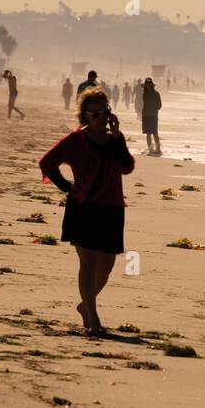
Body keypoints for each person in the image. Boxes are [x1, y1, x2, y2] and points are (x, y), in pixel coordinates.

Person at [38, 87, 135, 334]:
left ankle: (84, 306)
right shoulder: (75, 140)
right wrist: (65, 186)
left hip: (112, 207)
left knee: (107, 265)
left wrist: (117, 137)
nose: (102, 117)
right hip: (83, 207)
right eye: (96, 114)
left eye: (106, 112)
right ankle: (93, 319)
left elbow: (126, 167)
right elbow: (47, 162)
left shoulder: (115, 138)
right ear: (85, 116)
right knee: (88, 262)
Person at [141, 77, 162, 155]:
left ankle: (158, 149)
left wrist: (153, 109)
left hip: (153, 116)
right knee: (148, 133)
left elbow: (159, 105)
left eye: (149, 84)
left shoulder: (156, 94)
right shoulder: (144, 94)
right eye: (147, 84)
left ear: (152, 85)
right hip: (145, 115)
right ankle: (150, 149)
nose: (148, 85)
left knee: (155, 133)